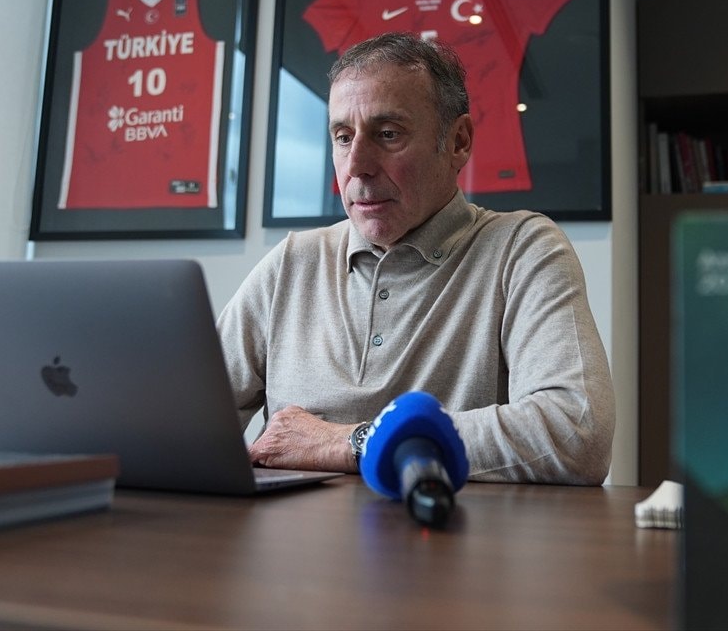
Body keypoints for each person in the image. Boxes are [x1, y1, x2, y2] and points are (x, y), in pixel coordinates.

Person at [217, 32, 614, 484]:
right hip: (289, 530)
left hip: (443, 525)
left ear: (458, 141)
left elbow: (577, 433)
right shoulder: (291, 263)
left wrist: (354, 442)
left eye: (388, 134)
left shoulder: (522, 249)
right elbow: (182, 422)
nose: (357, 165)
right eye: (343, 137)